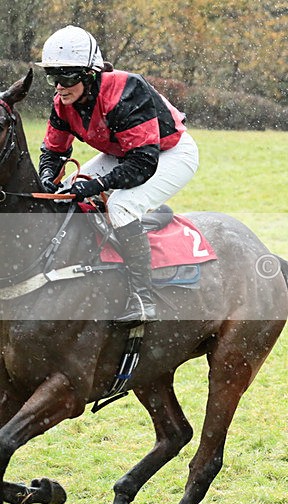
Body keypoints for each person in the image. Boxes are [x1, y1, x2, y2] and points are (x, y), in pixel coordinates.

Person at [36, 25, 199, 324]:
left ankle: (141, 298)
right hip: (125, 153)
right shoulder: (63, 102)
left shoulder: (126, 91)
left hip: (169, 153)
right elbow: (53, 151)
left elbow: (142, 163)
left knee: (121, 206)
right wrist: (48, 174)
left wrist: (98, 186)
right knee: (65, 192)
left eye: (67, 77)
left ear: (89, 74)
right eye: (53, 77)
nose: (59, 86)